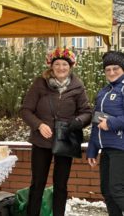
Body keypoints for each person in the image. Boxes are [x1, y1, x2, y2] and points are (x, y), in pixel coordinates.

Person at [20, 47, 92, 216]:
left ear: (71, 66)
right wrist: (38, 125)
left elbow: (87, 112)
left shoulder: (77, 85)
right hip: (41, 141)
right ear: (51, 66)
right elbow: (25, 110)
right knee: (37, 183)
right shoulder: (39, 83)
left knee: (61, 185)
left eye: (64, 64)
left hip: (65, 140)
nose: (61, 68)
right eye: (57, 64)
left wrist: (77, 122)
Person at [87, 51, 124, 216]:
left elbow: (107, 122)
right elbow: (96, 122)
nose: (111, 72)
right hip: (106, 149)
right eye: (107, 69)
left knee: (117, 190)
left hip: (120, 147)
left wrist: (111, 123)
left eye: (116, 68)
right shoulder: (103, 92)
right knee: (107, 191)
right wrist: (92, 149)